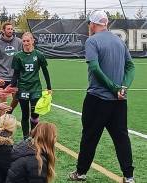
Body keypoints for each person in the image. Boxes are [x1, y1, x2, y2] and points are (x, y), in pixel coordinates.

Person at [68, 10, 135, 183]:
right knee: (122, 138)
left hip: (97, 99)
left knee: (89, 137)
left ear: (93, 24)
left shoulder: (92, 41)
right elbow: (131, 67)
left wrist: (114, 88)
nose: (89, 26)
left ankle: (81, 173)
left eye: (89, 23)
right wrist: (123, 88)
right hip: (119, 102)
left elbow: (96, 69)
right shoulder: (119, 41)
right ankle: (129, 177)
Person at [10, 32, 52, 140]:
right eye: (24, 41)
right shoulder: (18, 56)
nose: (26, 43)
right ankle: (25, 138)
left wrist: (49, 87)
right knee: (25, 114)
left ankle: (32, 136)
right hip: (23, 87)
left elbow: (45, 71)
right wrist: (12, 86)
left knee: (34, 114)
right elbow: (16, 74)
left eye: (28, 41)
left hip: (35, 88)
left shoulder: (39, 55)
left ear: (32, 41)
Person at [0, 22, 23, 115]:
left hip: (14, 76)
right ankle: (1, 123)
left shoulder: (19, 42)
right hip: (1, 76)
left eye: (12, 29)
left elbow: (22, 57)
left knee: (17, 97)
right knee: (2, 102)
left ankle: (9, 113)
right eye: (8, 29)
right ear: (3, 30)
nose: (10, 31)